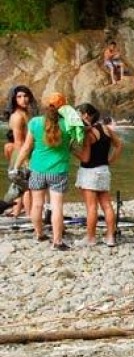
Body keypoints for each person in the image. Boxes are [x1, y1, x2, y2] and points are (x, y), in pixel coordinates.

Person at [12, 92, 74, 250]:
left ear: (45, 106)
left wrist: (16, 166)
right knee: (57, 206)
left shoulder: (35, 122)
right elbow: (76, 144)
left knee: (37, 204)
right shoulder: (68, 124)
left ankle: (39, 234)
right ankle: (57, 241)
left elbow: (26, 148)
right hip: (58, 170)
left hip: (37, 168)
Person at [75, 103, 123, 247]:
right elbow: (119, 144)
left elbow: (85, 158)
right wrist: (111, 160)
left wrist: (72, 150)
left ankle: (90, 238)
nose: (76, 117)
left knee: (91, 207)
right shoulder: (106, 128)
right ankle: (110, 237)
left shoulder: (88, 134)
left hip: (89, 172)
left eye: (78, 114)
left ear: (85, 115)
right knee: (107, 205)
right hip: (104, 170)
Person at [3, 85, 38, 217]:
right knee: (28, 188)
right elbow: (18, 142)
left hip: (26, 152)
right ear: (14, 99)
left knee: (19, 187)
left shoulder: (26, 113)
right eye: (19, 97)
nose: (23, 99)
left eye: (25, 96)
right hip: (21, 153)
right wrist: (25, 160)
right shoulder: (17, 117)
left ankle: (17, 212)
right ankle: (30, 216)